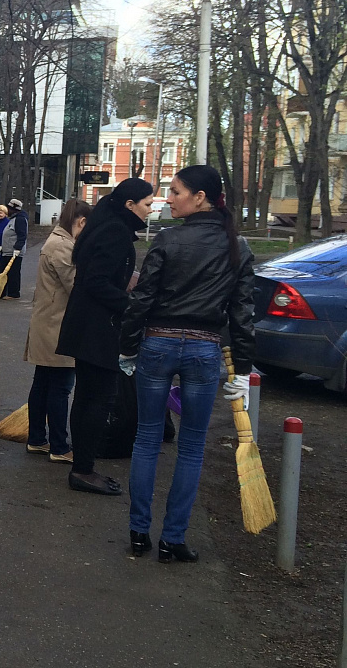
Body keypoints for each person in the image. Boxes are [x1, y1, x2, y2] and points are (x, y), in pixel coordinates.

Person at [120, 165, 255, 562]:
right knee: (192, 447)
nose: (169, 198)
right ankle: (173, 539)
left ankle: (139, 533)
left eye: (176, 191)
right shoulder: (236, 246)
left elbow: (143, 298)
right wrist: (243, 370)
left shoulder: (168, 239)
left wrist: (128, 347)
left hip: (158, 343)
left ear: (200, 197)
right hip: (204, 349)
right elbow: (242, 314)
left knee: (147, 439)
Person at [56, 178, 155, 496]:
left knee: (87, 397)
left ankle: (82, 467)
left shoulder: (107, 226)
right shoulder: (115, 231)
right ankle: (83, 470)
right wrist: (133, 306)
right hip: (97, 329)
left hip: (87, 325)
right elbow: (97, 282)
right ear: (130, 205)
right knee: (99, 399)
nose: (151, 210)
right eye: (148, 204)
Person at [23, 198, 92, 463]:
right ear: (81, 222)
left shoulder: (57, 242)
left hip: (50, 323)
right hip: (57, 327)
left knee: (43, 384)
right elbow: (76, 286)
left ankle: (37, 439)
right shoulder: (63, 246)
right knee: (60, 387)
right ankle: (59, 446)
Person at [0, 197, 29, 299]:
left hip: (14, 252)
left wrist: (18, 248)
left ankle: (13, 293)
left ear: (14, 209)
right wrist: (3, 246)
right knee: (4, 272)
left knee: (13, 273)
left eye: (9, 208)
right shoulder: (13, 219)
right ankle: (2, 292)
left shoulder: (20, 219)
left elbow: (22, 235)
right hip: (7, 250)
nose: (8, 210)